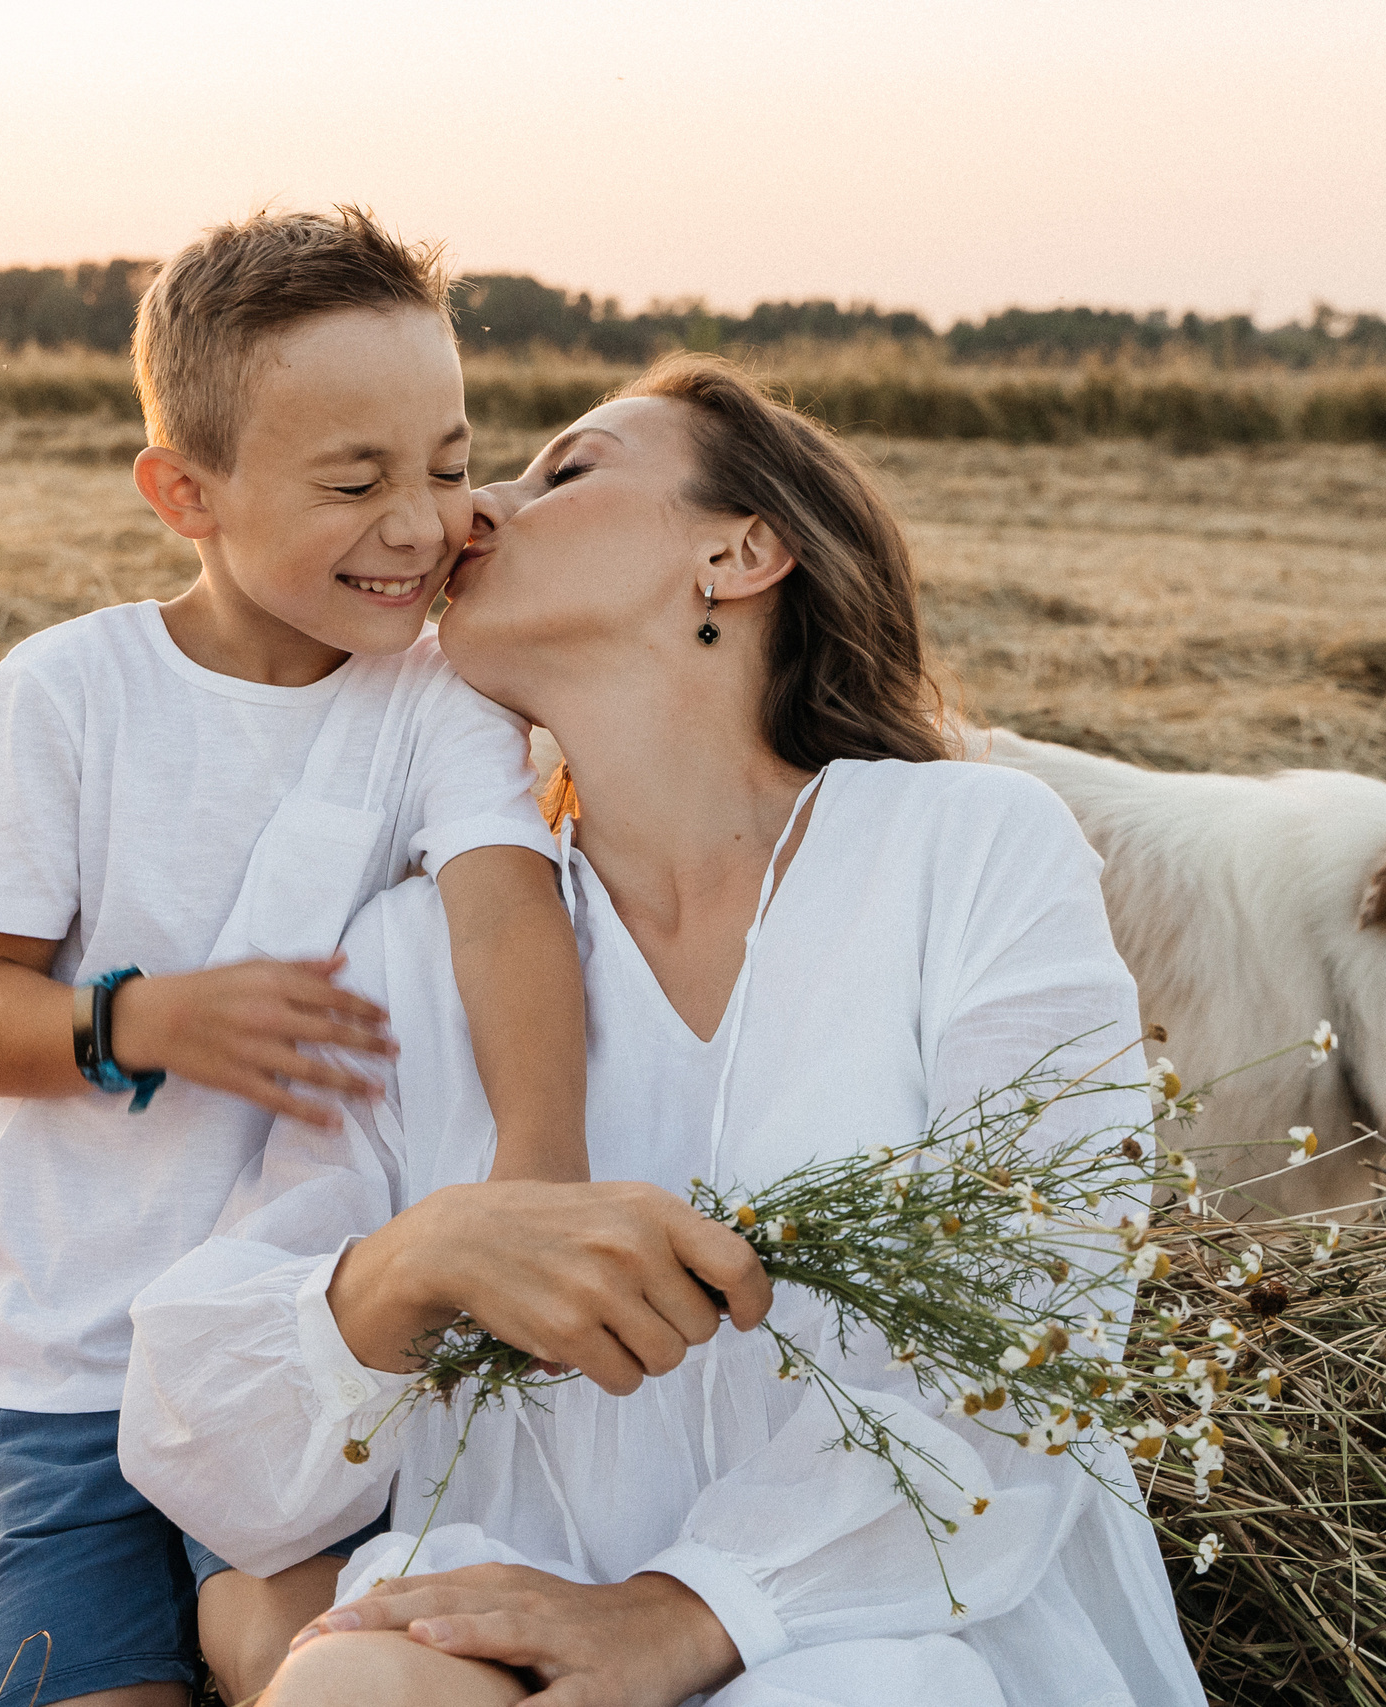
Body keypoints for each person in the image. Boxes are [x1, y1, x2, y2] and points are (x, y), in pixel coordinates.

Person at [120, 355, 1207, 1706]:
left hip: (895, 1631)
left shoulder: (971, 846)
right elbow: (203, 1445)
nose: (473, 510)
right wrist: (414, 1262)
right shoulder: (411, 949)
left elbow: (1035, 1329)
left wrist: (686, 1610)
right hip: (521, 1605)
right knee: (360, 1690)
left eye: (566, 468)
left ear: (739, 553)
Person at [0, 208, 589, 1707]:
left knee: (315, 1661)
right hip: (64, 1372)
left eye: (450, 468)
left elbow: (506, 907)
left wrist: (540, 1163)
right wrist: (145, 1021)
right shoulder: (70, 692)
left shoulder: (438, 699)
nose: (418, 524)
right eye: (354, 482)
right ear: (184, 493)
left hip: (296, 1345)